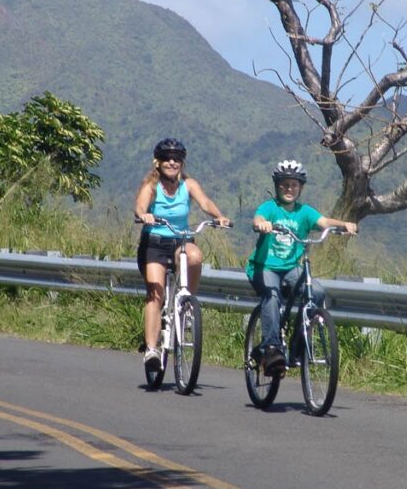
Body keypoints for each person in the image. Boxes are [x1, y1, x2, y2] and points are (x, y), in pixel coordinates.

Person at [247, 159, 357, 377]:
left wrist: (344, 224)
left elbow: (324, 222)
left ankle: (298, 348)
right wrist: (262, 224)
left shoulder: (304, 212)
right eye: (285, 185)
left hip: (290, 268)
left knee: (316, 292)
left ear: (300, 188)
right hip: (265, 267)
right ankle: (271, 348)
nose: (289, 189)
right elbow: (258, 218)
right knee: (272, 295)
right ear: (277, 186)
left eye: (294, 185)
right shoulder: (270, 208)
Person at [135, 137, 231, 377]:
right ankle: (151, 350)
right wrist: (144, 215)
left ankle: (187, 303)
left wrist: (219, 216)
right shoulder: (151, 186)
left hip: (181, 239)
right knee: (155, 295)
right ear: (158, 162)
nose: (171, 162)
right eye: (167, 158)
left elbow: (205, 202)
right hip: (154, 243)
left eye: (176, 159)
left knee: (195, 256)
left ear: (182, 163)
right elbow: (140, 205)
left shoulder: (188, 185)